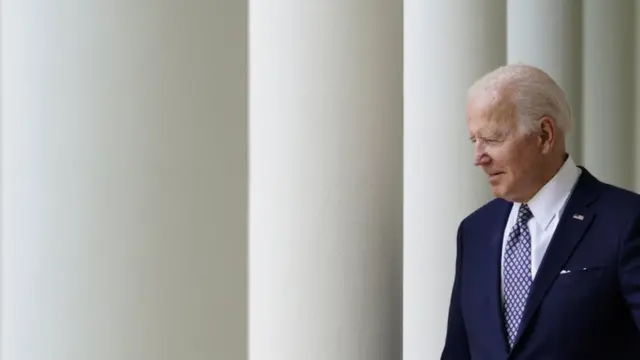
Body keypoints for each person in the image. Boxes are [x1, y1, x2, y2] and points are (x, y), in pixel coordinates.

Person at [441, 64, 640, 359]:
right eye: (475, 140)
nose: (479, 157)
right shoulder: (474, 231)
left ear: (544, 135)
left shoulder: (626, 220)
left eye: (493, 138)